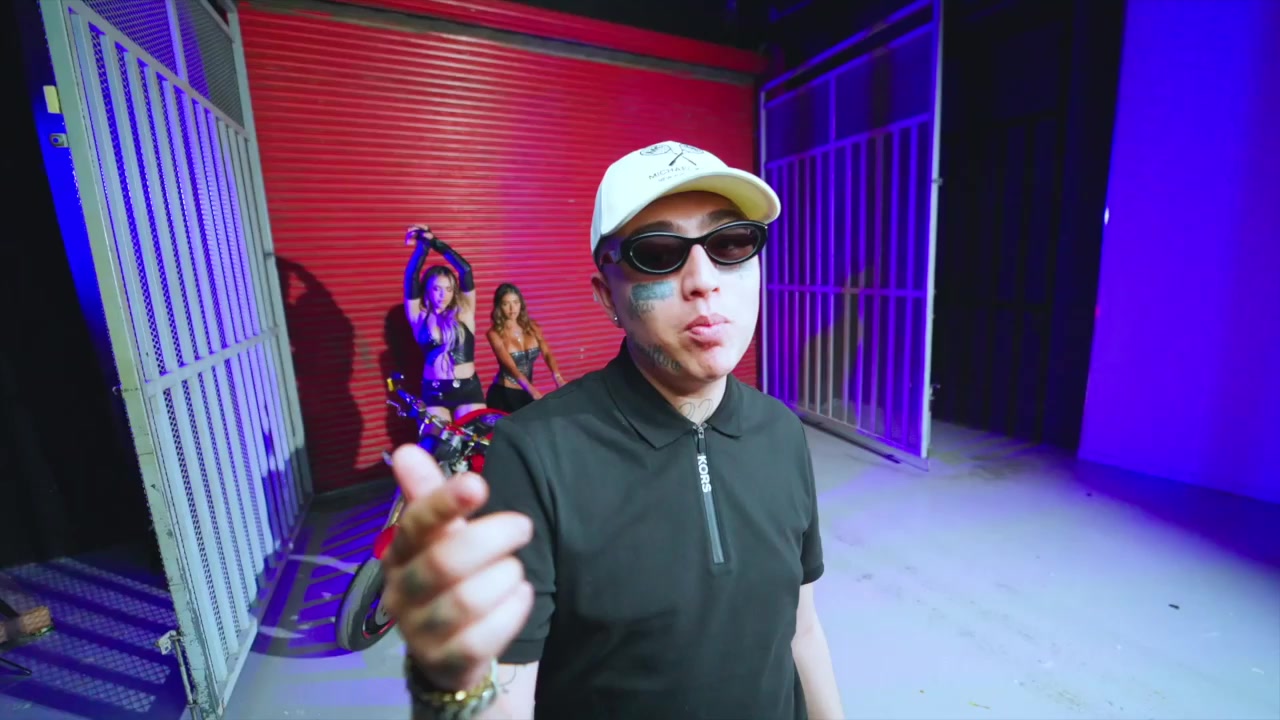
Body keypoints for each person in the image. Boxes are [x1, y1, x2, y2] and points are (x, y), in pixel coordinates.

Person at [382, 141, 845, 720]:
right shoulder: (535, 456)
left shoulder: (781, 433)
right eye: (659, 253)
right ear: (608, 298)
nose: (704, 280)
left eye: (730, 243)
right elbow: (507, 689)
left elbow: (802, 630)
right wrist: (452, 686)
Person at [403, 224, 484, 421]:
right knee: (438, 441)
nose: (443, 295)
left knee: (476, 438)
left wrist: (435, 242)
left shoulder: (464, 311)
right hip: (434, 392)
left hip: (468, 389)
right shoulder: (419, 316)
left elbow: (465, 270)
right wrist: (423, 247)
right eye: (437, 289)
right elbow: (411, 277)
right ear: (428, 290)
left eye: (448, 289)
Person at [484, 283, 565, 413]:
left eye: (515, 302)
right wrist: (532, 391)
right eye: (506, 304)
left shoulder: (532, 327)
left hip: (527, 391)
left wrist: (557, 377)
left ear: (521, 303)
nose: (512, 308)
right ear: (499, 306)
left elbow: (547, 353)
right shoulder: (494, 334)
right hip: (504, 393)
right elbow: (512, 368)